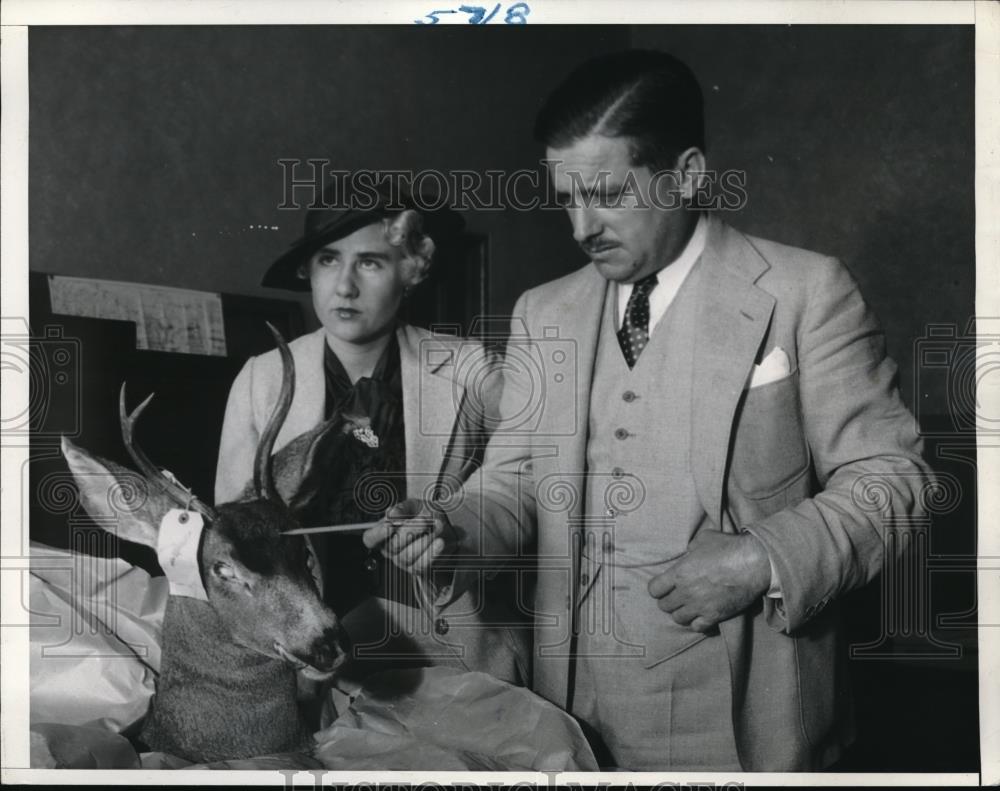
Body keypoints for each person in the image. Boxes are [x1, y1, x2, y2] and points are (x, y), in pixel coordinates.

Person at [366, 50, 934, 770]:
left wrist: (762, 557)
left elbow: (895, 480)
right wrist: (449, 526)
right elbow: (511, 485)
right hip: (569, 713)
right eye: (566, 197)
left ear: (688, 172)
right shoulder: (545, 312)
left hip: (743, 721)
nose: (581, 225)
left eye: (606, 193)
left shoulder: (805, 292)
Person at [215, 178, 529, 692]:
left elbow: (525, 490)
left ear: (409, 271)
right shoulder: (262, 378)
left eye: (370, 262)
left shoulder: (472, 370)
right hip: (308, 656)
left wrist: (452, 532)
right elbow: (232, 539)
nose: (344, 287)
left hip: (450, 651)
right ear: (307, 271)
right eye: (328, 260)